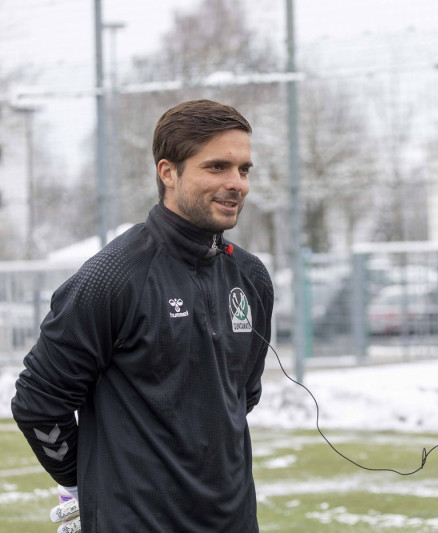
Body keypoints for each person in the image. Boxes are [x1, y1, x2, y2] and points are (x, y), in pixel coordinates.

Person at [11, 99, 274, 532]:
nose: (237, 183)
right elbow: (39, 402)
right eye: (216, 167)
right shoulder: (112, 277)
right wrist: (86, 484)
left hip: (235, 521)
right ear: (168, 172)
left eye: (244, 170)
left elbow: (241, 395)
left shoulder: (251, 276)